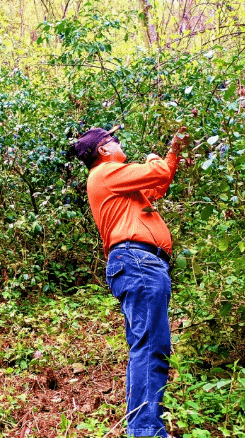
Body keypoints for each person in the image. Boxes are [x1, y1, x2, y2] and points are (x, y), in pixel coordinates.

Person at [71, 125, 190, 438]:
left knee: (150, 345)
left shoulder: (121, 185)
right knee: (151, 346)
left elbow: (158, 184)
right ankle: (146, 431)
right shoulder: (107, 173)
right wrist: (156, 160)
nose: (119, 143)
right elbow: (156, 172)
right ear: (104, 150)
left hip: (141, 264)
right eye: (114, 139)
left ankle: (145, 427)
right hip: (138, 262)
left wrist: (172, 154)